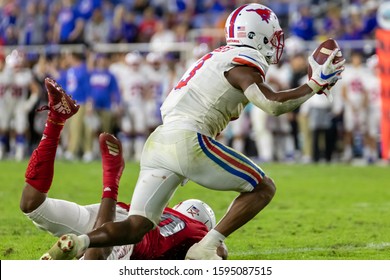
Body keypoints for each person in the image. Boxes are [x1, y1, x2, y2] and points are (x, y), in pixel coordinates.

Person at [42, 3, 344, 260]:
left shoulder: (215, 57)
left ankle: (80, 242)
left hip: (159, 140)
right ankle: (206, 246)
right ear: (258, 34)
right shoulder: (243, 60)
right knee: (264, 187)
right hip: (189, 139)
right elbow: (272, 103)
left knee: (138, 225)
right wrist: (313, 86)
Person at [20, 78, 226, 260]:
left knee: (32, 205)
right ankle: (111, 179)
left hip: (117, 213)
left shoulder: (170, 212)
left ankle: (56, 119)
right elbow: (221, 253)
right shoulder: (198, 231)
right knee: (94, 261)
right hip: (128, 236)